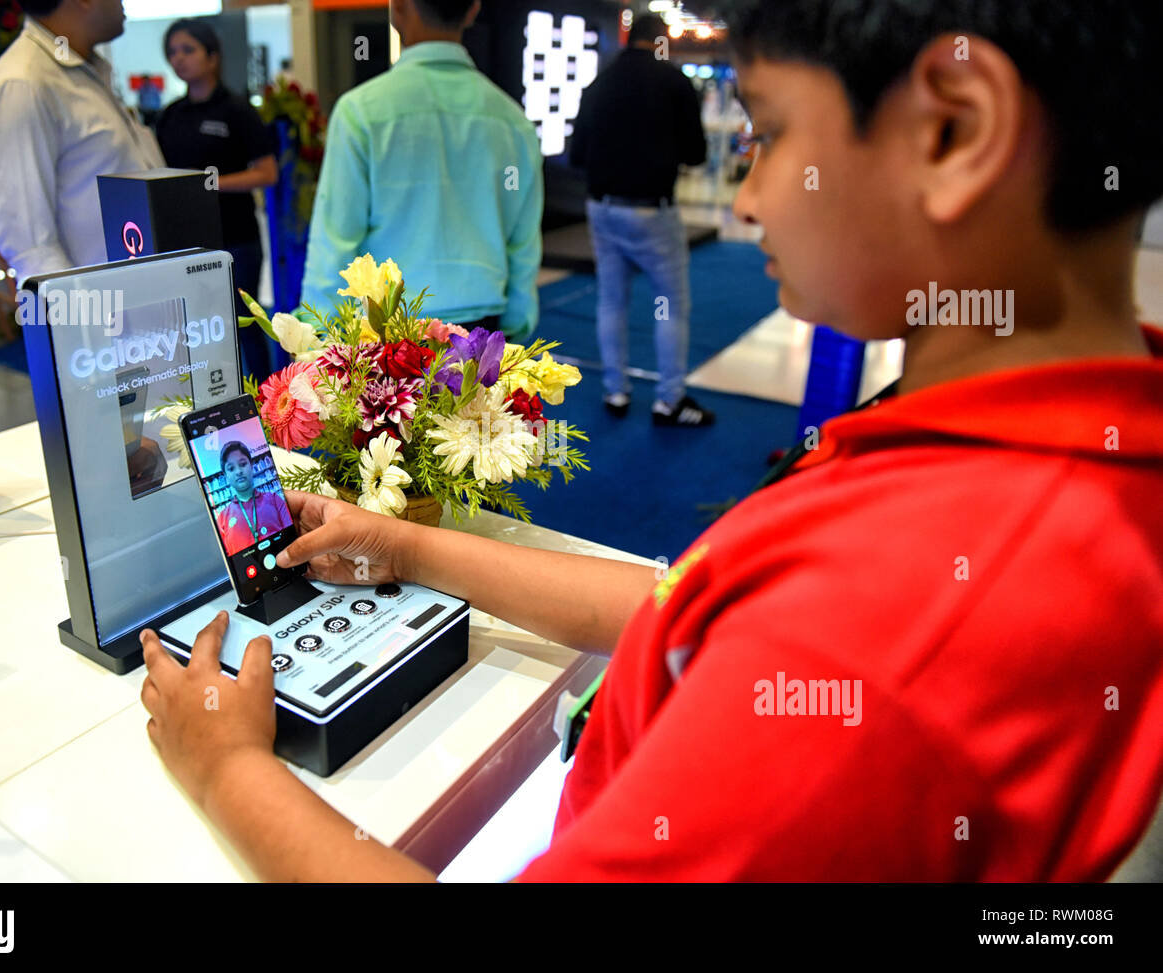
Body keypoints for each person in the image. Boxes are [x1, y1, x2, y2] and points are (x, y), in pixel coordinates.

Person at [136, 0, 1163, 881]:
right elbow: (690, 611)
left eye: (769, 131)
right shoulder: (1061, 451)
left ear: (953, 133)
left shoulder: (881, 629)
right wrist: (401, 543)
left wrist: (224, 765)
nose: (752, 194)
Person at [300, 0, 543, 342]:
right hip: (481, 330)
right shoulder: (513, 121)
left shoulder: (361, 112)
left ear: (397, 7)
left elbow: (336, 237)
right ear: (473, 10)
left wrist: (317, 335)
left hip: (390, 333)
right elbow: (522, 238)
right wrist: (515, 323)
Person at [570, 13, 714, 427]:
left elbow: (577, 154)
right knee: (669, 304)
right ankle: (669, 400)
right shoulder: (673, 82)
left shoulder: (599, 83)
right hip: (652, 210)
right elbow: (696, 153)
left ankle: (615, 391)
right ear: (661, 39)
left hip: (602, 208)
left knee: (611, 300)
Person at [0, 0, 165, 284]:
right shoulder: (21, 84)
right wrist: (84, 324)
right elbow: (31, 247)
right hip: (106, 314)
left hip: (148, 300)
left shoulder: (86, 71)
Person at [157, 18, 279, 381]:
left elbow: (267, 173)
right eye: (173, 52)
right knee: (197, 329)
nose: (179, 59)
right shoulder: (170, 116)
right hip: (186, 244)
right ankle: (214, 399)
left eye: (188, 50)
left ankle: (267, 401)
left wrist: (209, 185)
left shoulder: (238, 111)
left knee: (244, 323)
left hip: (236, 240)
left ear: (212, 57)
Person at [214, 442, 288, 556]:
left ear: (251, 466)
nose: (239, 471)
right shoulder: (222, 520)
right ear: (226, 476)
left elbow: (291, 537)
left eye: (243, 464)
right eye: (231, 468)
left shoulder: (274, 500)